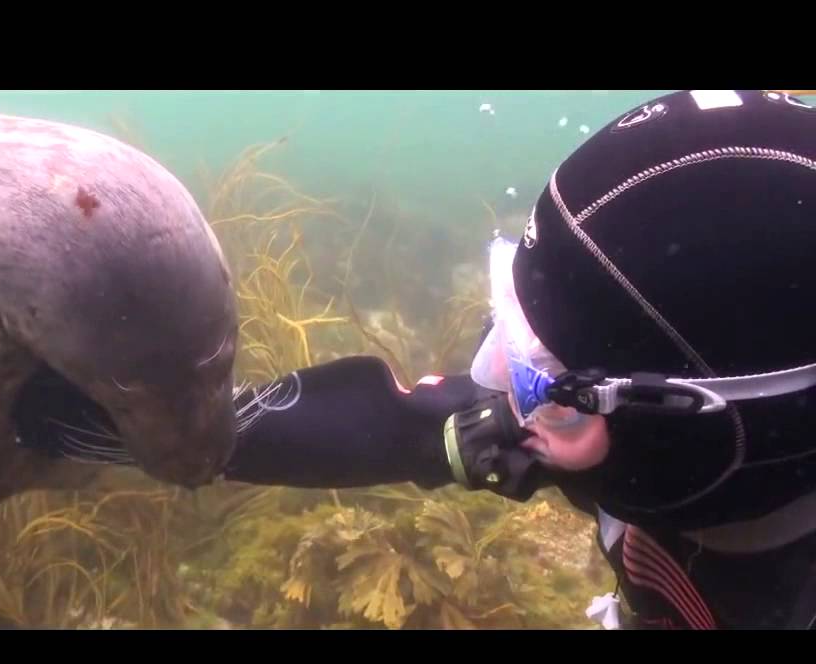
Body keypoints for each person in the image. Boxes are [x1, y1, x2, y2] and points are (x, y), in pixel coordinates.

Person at [225, 89, 816, 629]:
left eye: (544, 381)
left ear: (707, 432)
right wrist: (174, 426)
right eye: (510, 323)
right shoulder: (687, 465)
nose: (494, 382)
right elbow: (397, 426)